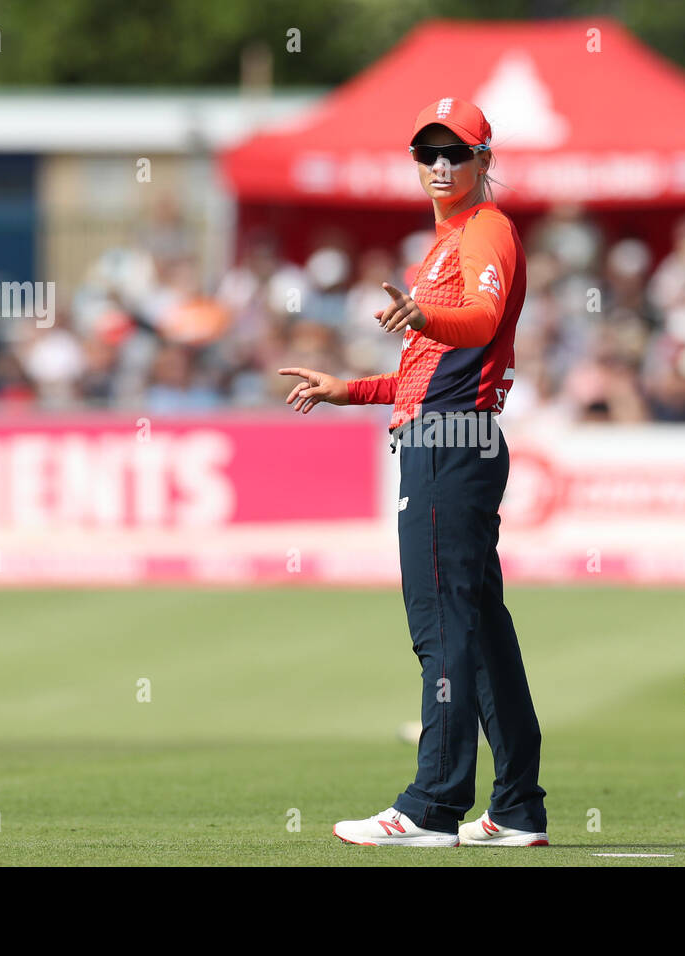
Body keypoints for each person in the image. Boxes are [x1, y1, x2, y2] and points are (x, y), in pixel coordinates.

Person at [278, 98, 548, 847]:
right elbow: (428, 370)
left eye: (454, 153)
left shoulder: (486, 230)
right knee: (480, 627)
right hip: (448, 432)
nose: (439, 166)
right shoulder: (444, 244)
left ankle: (433, 806)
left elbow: (480, 325)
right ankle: (518, 806)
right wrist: (352, 390)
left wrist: (427, 320)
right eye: (427, 153)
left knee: (442, 627)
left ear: (484, 161)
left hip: (449, 445)